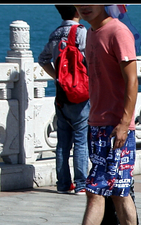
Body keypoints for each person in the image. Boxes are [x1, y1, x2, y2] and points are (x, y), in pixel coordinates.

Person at [51, 4, 141, 225]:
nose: (85, 5)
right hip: (97, 124)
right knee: (118, 191)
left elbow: (132, 80)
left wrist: (124, 124)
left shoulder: (118, 31)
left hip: (117, 129)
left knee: (95, 188)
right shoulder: (91, 33)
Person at [38, 5, 89, 195]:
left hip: (61, 94)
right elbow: (91, 59)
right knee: (81, 140)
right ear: (77, 12)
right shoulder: (81, 33)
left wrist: (58, 78)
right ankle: (81, 184)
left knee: (63, 142)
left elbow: (42, 60)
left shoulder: (55, 34)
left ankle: (63, 184)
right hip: (80, 93)